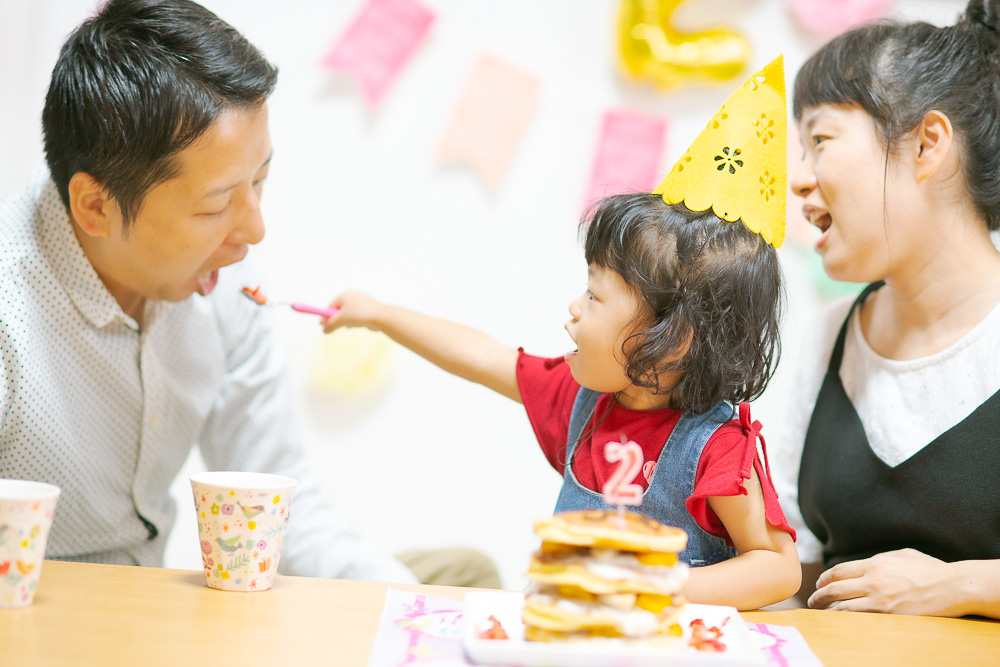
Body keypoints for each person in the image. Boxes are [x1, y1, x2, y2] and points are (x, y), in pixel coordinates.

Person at [0, 0, 499, 589]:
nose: (254, 230)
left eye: (260, 181)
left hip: (178, 611)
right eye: (215, 206)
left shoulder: (226, 282)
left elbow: (283, 511)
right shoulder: (13, 305)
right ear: (94, 206)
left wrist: (413, 612)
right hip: (46, 619)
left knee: (465, 578)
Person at [321, 57, 801, 611]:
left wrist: (660, 587)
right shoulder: (581, 400)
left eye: (595, 296)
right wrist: (379, 313)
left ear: (673, 340)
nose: (573, 309)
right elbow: (481, 355)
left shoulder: (717, 449)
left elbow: (777, 568)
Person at [774, 0, 1000, 618]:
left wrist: (959, 587)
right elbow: (796, 575)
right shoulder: (830, 336)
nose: (799, 179)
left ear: (927, 145)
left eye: (820, 139)